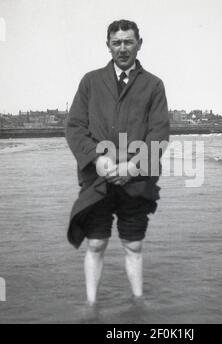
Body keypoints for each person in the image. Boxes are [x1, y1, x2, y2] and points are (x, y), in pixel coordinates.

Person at [65, 19, 170, 307]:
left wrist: (132, 167)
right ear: (108, 45)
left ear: (139, 43)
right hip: (96, 177)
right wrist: (97, 160)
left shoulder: (154, 85)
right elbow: (74, 127)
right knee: (96, 243)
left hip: (136, 180)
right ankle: (91, 305)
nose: (122, 48)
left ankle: (138, 303)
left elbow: (159, 133)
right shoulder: (90, 81)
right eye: (117, 42)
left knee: (133, 245)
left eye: (128, 41)